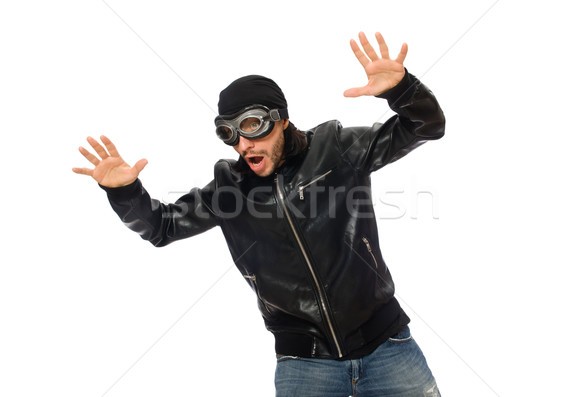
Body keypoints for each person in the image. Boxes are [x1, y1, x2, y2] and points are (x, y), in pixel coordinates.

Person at [73, 32, 445, 396]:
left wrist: (402, 90)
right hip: (305, 362)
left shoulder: (336, 148)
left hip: (387, 345)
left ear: (281, 118)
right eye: (229, 133)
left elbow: (426, 126)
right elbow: (161, 227)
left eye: (251, 125)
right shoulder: (229, 189)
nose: (243, 143)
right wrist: (124, 192)